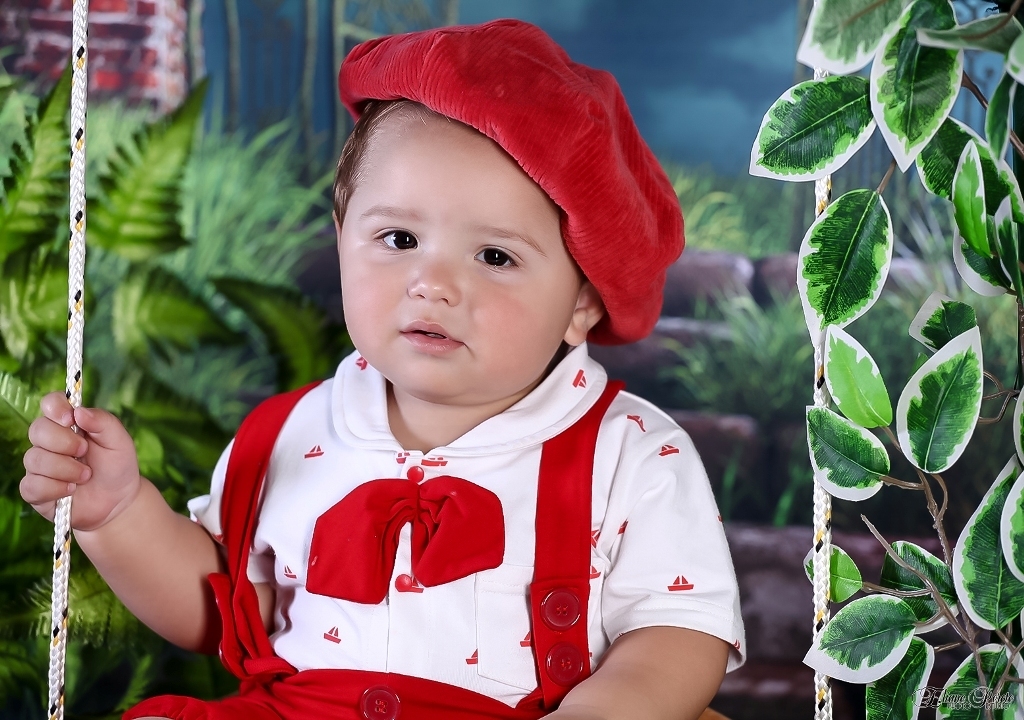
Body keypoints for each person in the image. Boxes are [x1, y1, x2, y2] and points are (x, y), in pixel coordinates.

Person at [20, 18, 745, 720]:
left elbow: (680, 634)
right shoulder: (289, 433)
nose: (432, 284)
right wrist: (118, 515)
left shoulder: (631, 453)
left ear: (582, 300)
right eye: (398, 238)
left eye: (495, 256)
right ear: (343, 240)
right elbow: (224, 614)